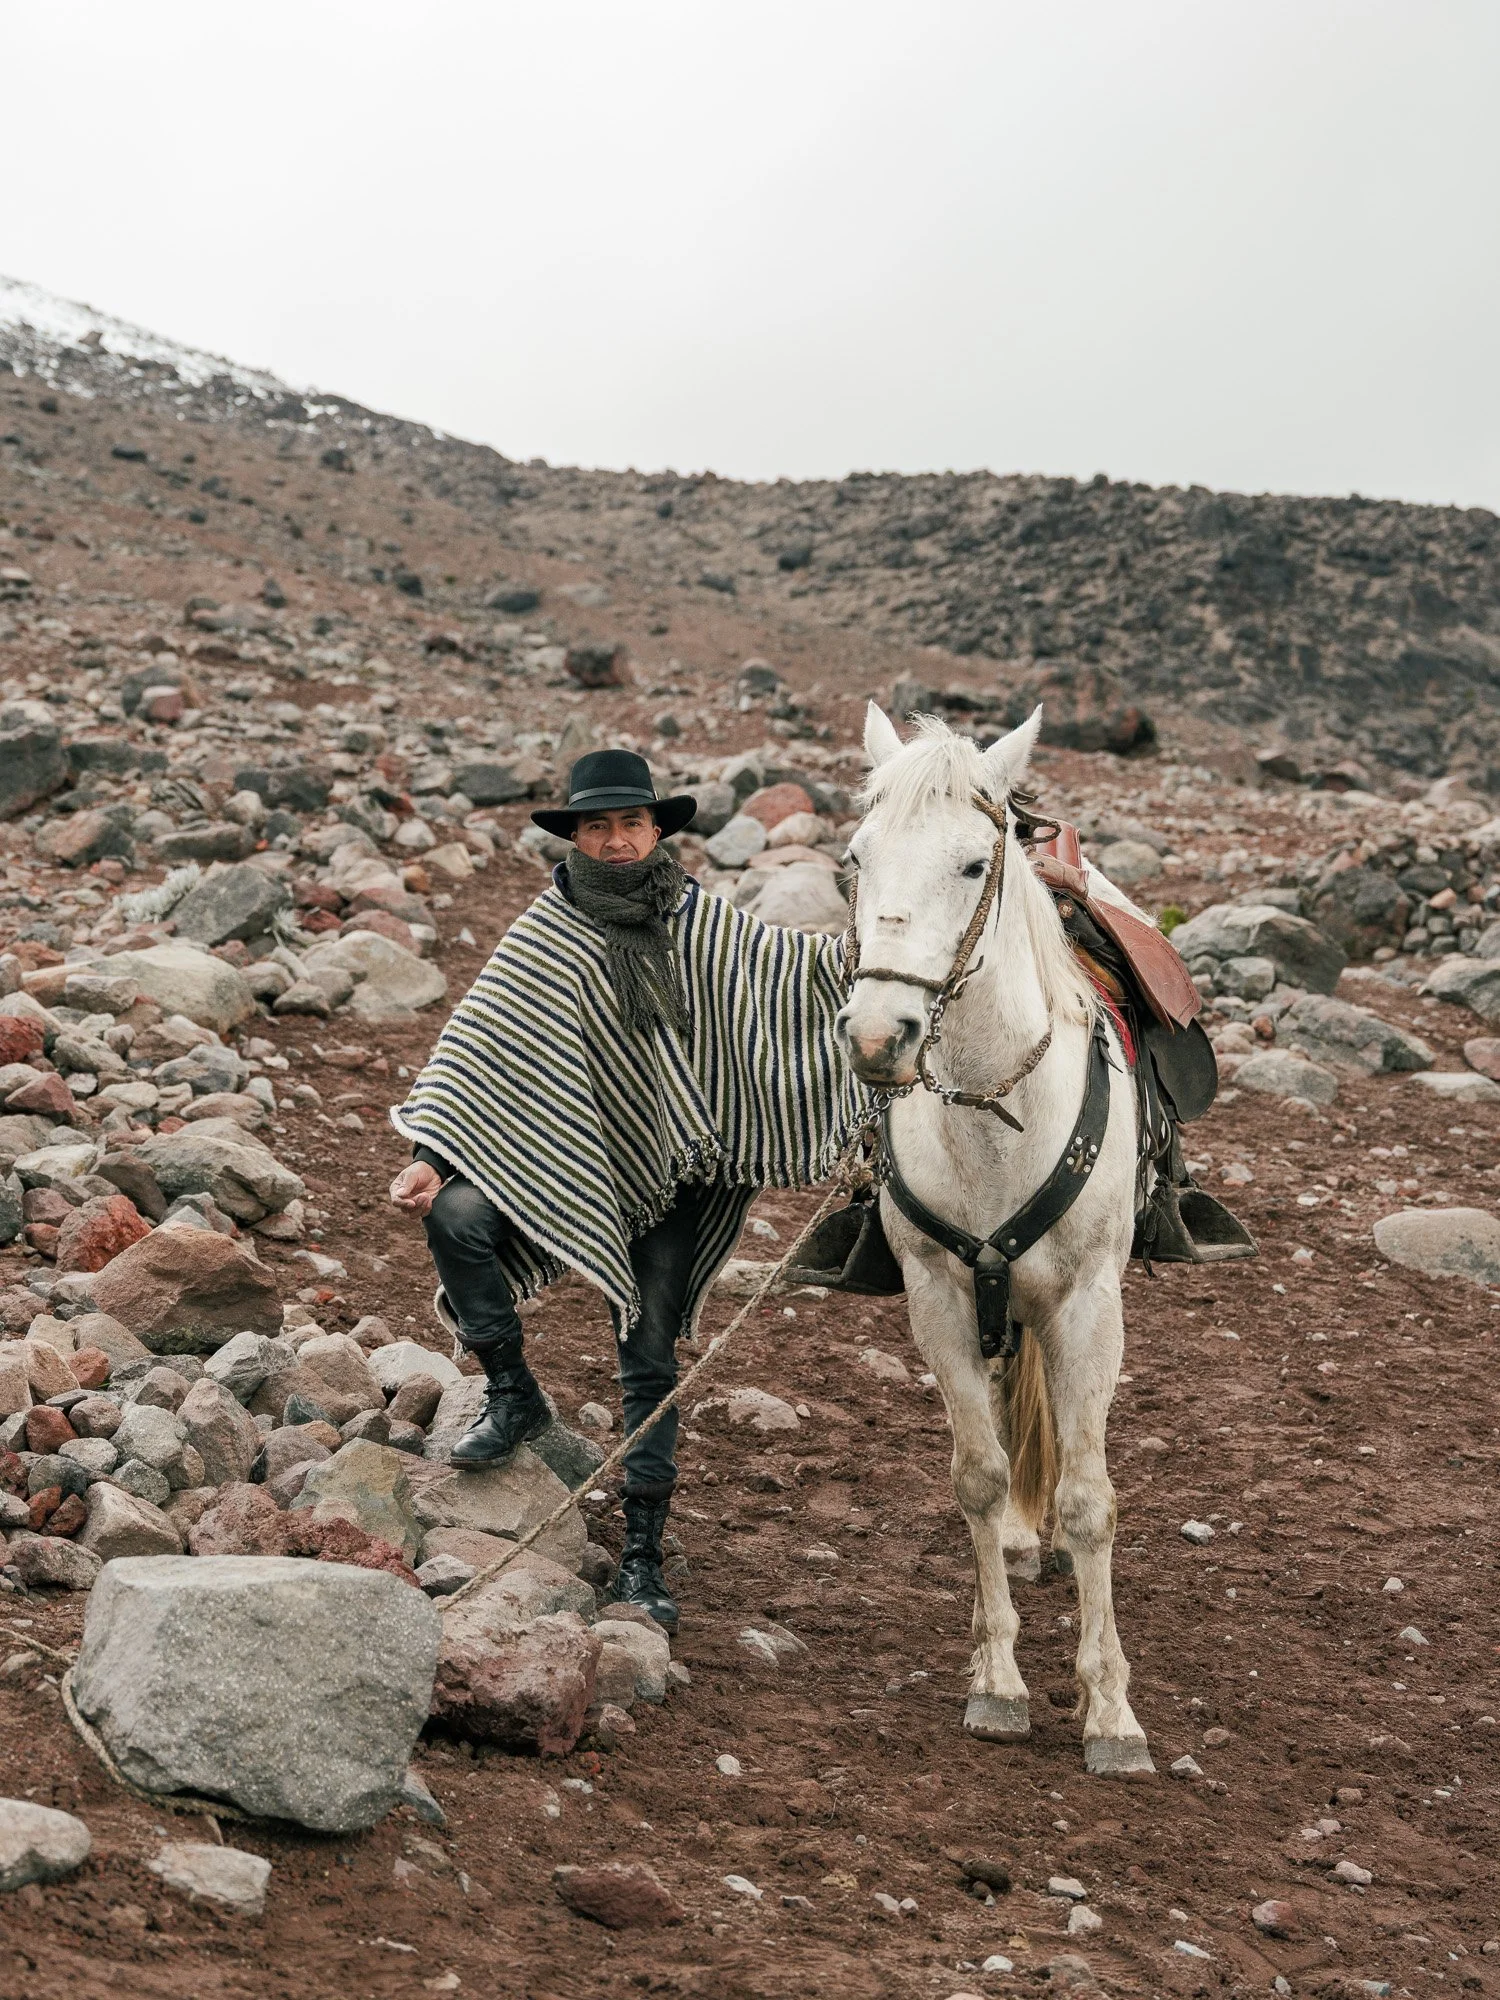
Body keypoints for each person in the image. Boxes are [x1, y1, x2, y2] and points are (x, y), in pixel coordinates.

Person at [389, 749, 862, 1631]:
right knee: (457, 1217)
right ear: (573, 835)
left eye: (631, 824)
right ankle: (512, 1392)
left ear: (657, 830)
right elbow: (479, 1043)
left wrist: (896, 939)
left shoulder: (701, 919)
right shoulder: (545, 930)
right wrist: (433, 1152)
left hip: (673, 1173)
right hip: (566, 1154)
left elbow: (797, 975)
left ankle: (642, 1556)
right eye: (597, 826)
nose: (615, 842)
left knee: (649, 1351)